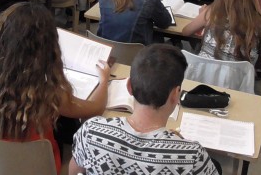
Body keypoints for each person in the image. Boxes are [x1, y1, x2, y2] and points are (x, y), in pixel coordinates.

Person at [0, 2, 110, 174]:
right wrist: (104, 79)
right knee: (71, 127)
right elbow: (96, 108)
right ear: (47, 47)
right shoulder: (46, 92)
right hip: (38, 168)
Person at [69, 44, 220, 175]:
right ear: (175, 94)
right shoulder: (191, 156)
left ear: (129, 87)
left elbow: (74, 172)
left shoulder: (90, 131)